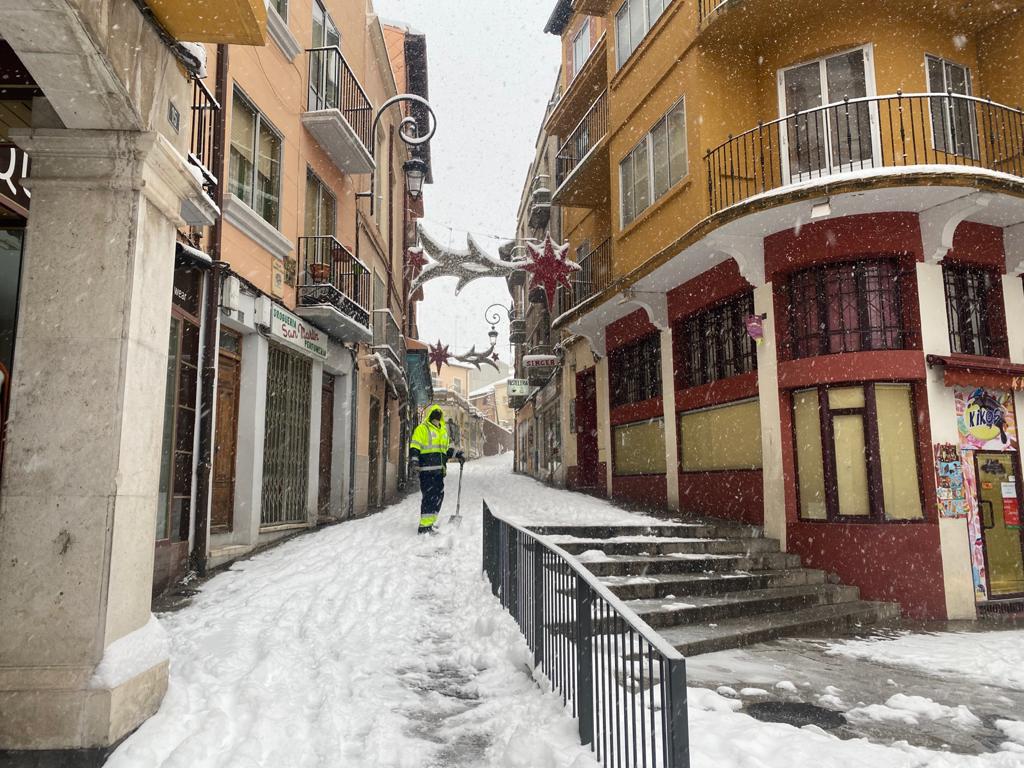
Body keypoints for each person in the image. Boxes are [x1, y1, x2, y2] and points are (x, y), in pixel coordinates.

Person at [408, 405, 464, 534]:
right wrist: (414, 460)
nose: (437, 418)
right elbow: (415, 446)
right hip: (426, 471)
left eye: (439, 416)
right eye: (435, 415)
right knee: (429, 497)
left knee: (438, 497)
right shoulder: (422, 429)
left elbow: (445, 450)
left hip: (439, 472)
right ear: (430, 416)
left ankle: (430, 523)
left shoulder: (442, 432)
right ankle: (424, 527)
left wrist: (458, 454)